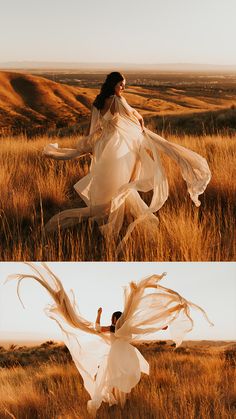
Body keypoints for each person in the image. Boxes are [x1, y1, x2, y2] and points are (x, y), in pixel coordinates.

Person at [8, 263, 213, 417]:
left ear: (119, 318)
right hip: (114, 356)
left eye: (114, 317)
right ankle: (111, 404)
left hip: (127, 355)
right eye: (113, 318)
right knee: (108, 380)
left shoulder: (126, 327)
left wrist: (161, 325)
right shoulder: (113, 328)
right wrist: (98, 314)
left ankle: (123, 406)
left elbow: (144, 328)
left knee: (124, 380)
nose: (113, 319)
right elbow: (97, 329)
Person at [43, 72, 211, 253]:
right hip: (117, 148)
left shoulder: (98, 102)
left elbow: (92, 130)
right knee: (121, 187)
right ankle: (107, 227)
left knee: (110, 188)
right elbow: (134, 116)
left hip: (103, 147)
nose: (123, 88)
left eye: (124, 85)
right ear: (114, 84)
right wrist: (141, 123)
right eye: (121, 84)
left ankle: (106, 224)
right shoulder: (117, 100)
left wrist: (89, 147)